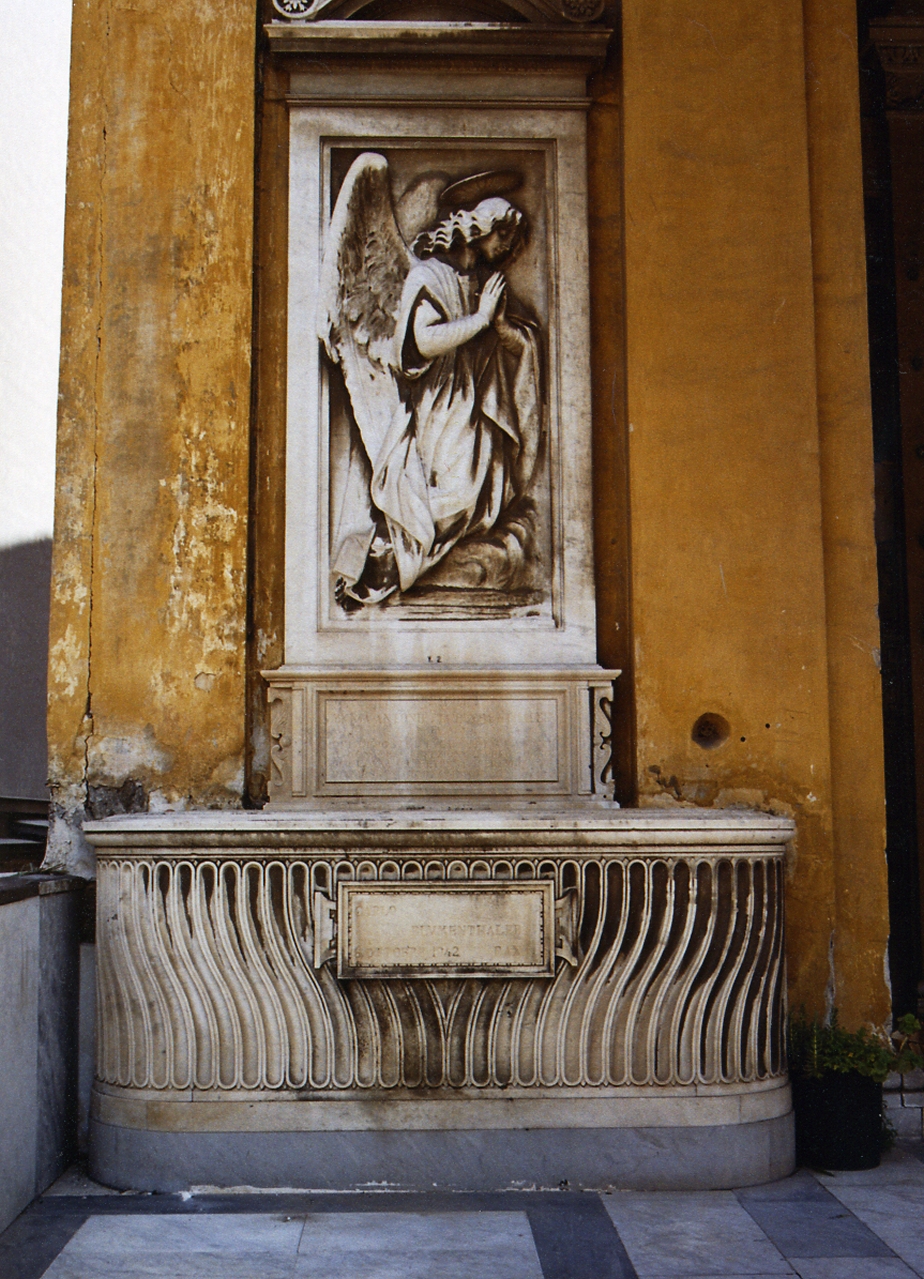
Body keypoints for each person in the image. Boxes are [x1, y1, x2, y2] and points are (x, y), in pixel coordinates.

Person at [333, 193, 543, 609]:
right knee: (459, 491)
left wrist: (498, 327)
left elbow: (520, 345)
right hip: (442, 404)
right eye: (502, 234)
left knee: (481, 499)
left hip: (479, 406)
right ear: (479, 229)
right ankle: (381, 554)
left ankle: (396, 556)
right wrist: (480, 321)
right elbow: (422, 342)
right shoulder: (427, 275)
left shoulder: (483, 283)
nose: (506, 247)